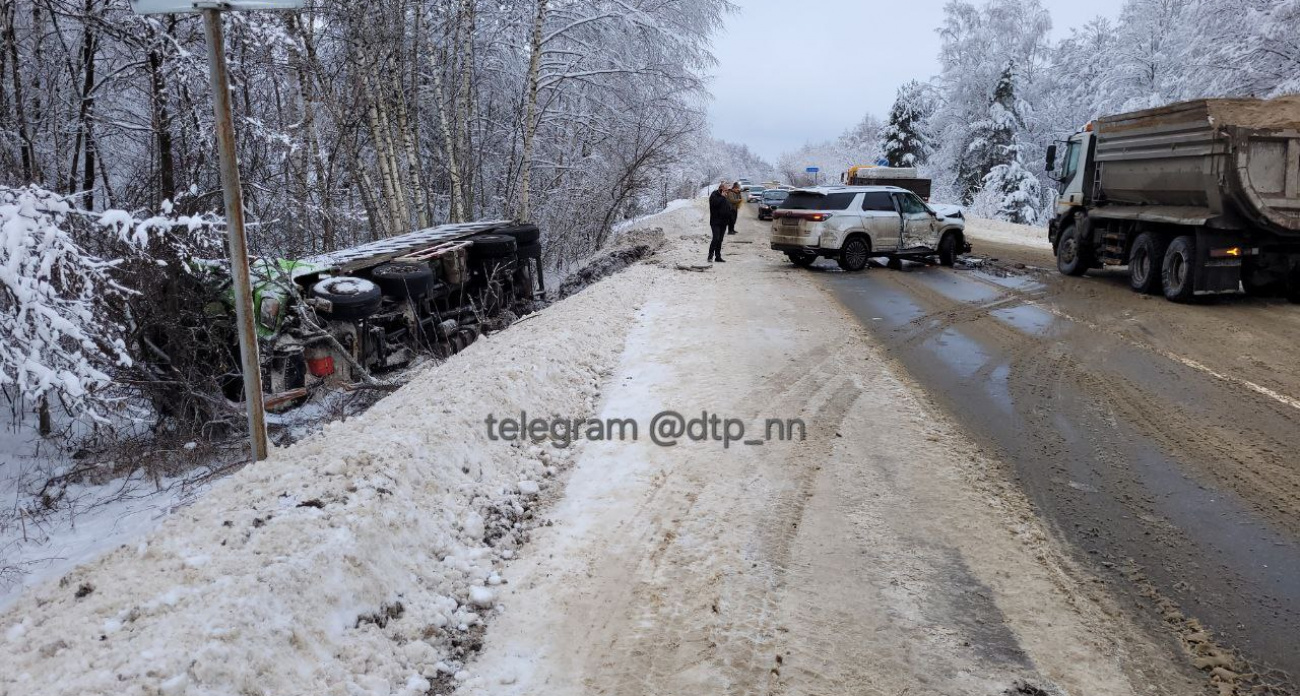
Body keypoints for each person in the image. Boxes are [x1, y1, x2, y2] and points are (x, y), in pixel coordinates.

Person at [708, 182, 731, 263]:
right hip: (715, 222)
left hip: (723, 222)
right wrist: (722, 197)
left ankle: (718, 257)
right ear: (721, 189)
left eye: (727, 190)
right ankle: (710, 256)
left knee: (720, 240)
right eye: (726, 190)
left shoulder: (725, 197)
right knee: (715, 238)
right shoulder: (714, 195)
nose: (727, 192)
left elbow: (728, 208)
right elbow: (715, 204)